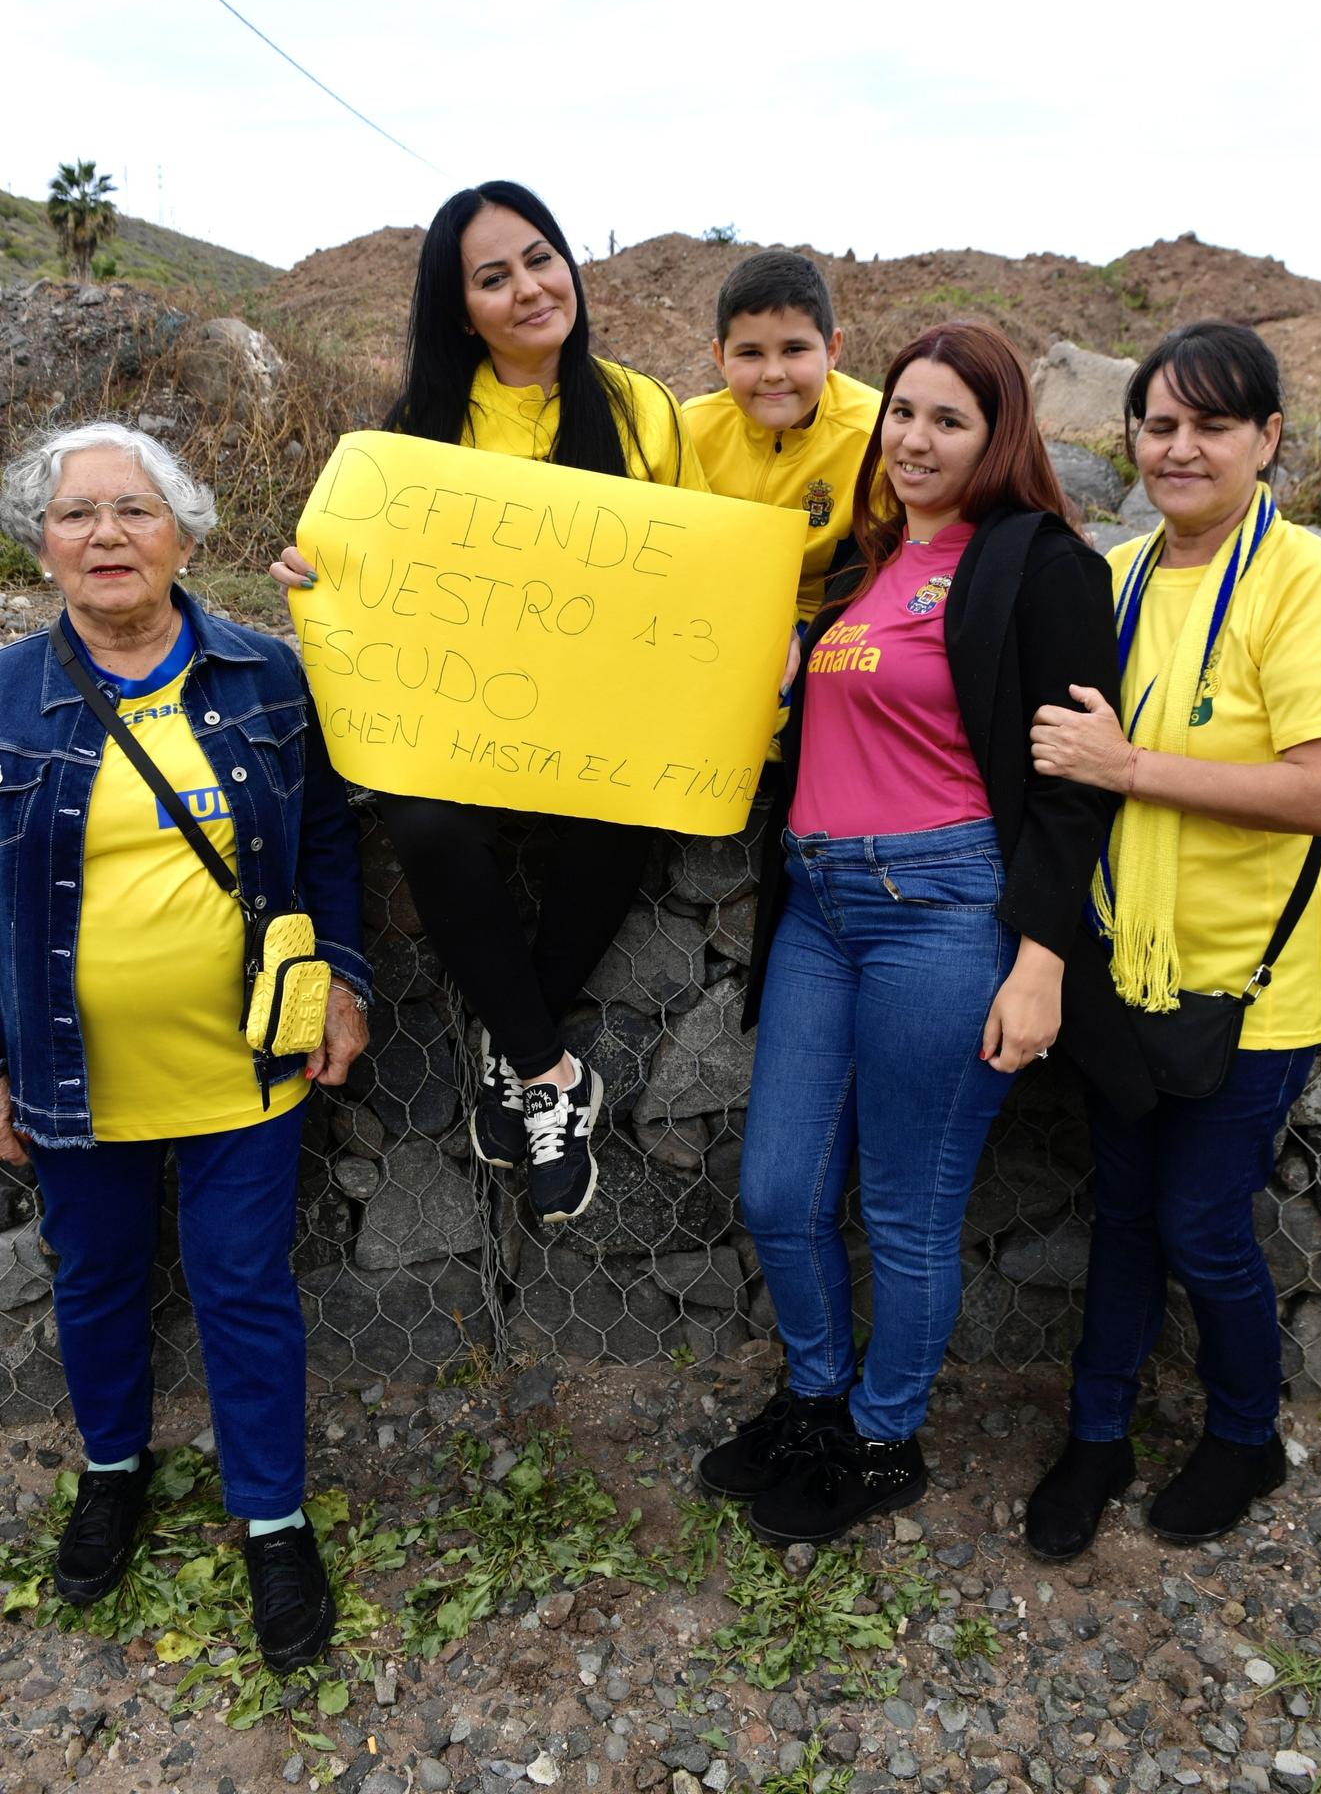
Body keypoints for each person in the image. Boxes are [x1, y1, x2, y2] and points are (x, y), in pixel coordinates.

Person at [697, 321, 1136, 1546]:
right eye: (901, 412)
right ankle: (815, 1396)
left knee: (905, 1205)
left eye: (949, 418)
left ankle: (883, 1433)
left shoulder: (1042, 564)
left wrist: (1039, 958)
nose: (915, 438)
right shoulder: (859, 567)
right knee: (780, 1189)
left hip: (942, 910)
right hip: (821, 904)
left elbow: (1071, 781)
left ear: (1000, 436)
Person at [0, 422, 370, 1672]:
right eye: (75, 515)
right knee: (95, 1277)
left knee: (243, 1287)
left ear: (186, 534)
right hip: (67, 1070)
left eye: (134, 510)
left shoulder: (266, 675)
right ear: (41, 546)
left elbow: (325, 840)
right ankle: (113, 1471)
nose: (105, 534)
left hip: (245, 1065)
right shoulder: (5, 695)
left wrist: (347, 981)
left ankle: (274, 1518)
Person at [272, 180, 710, 1226]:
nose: (528, 288)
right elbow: (374, 578)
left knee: (625, 814)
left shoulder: (640, 404)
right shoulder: (419, 429)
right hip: (468, 727)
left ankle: (516, 1037)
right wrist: (313, 575)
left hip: (598, 717)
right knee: (422, 821)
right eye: (492, 276)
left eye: (541, 257)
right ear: (457, 306)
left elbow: (689, 567)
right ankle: (549, 1071)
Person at [1023, 321, 1321, 1560]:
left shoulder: (1302, 579)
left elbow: (1320, 786)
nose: (1181, 446)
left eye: (1212, 423)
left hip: (1250, 981)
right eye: (1159, 423)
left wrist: (1130, 764)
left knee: (1202, 1221)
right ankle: (1096, 1437)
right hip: (1122, 975)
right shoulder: (1114, 575)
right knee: (1126, 1215)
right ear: (1131, 438)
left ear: (1267, 438)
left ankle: (1245, 1431)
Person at [682, 248, 882, 625]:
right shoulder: (692, 427)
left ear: (832, 349)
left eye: (793, 350)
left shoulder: (878, 435)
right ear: (720, 357)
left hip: (826, 619)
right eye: (750, 353)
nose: (773, 372)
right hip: (716, 606)